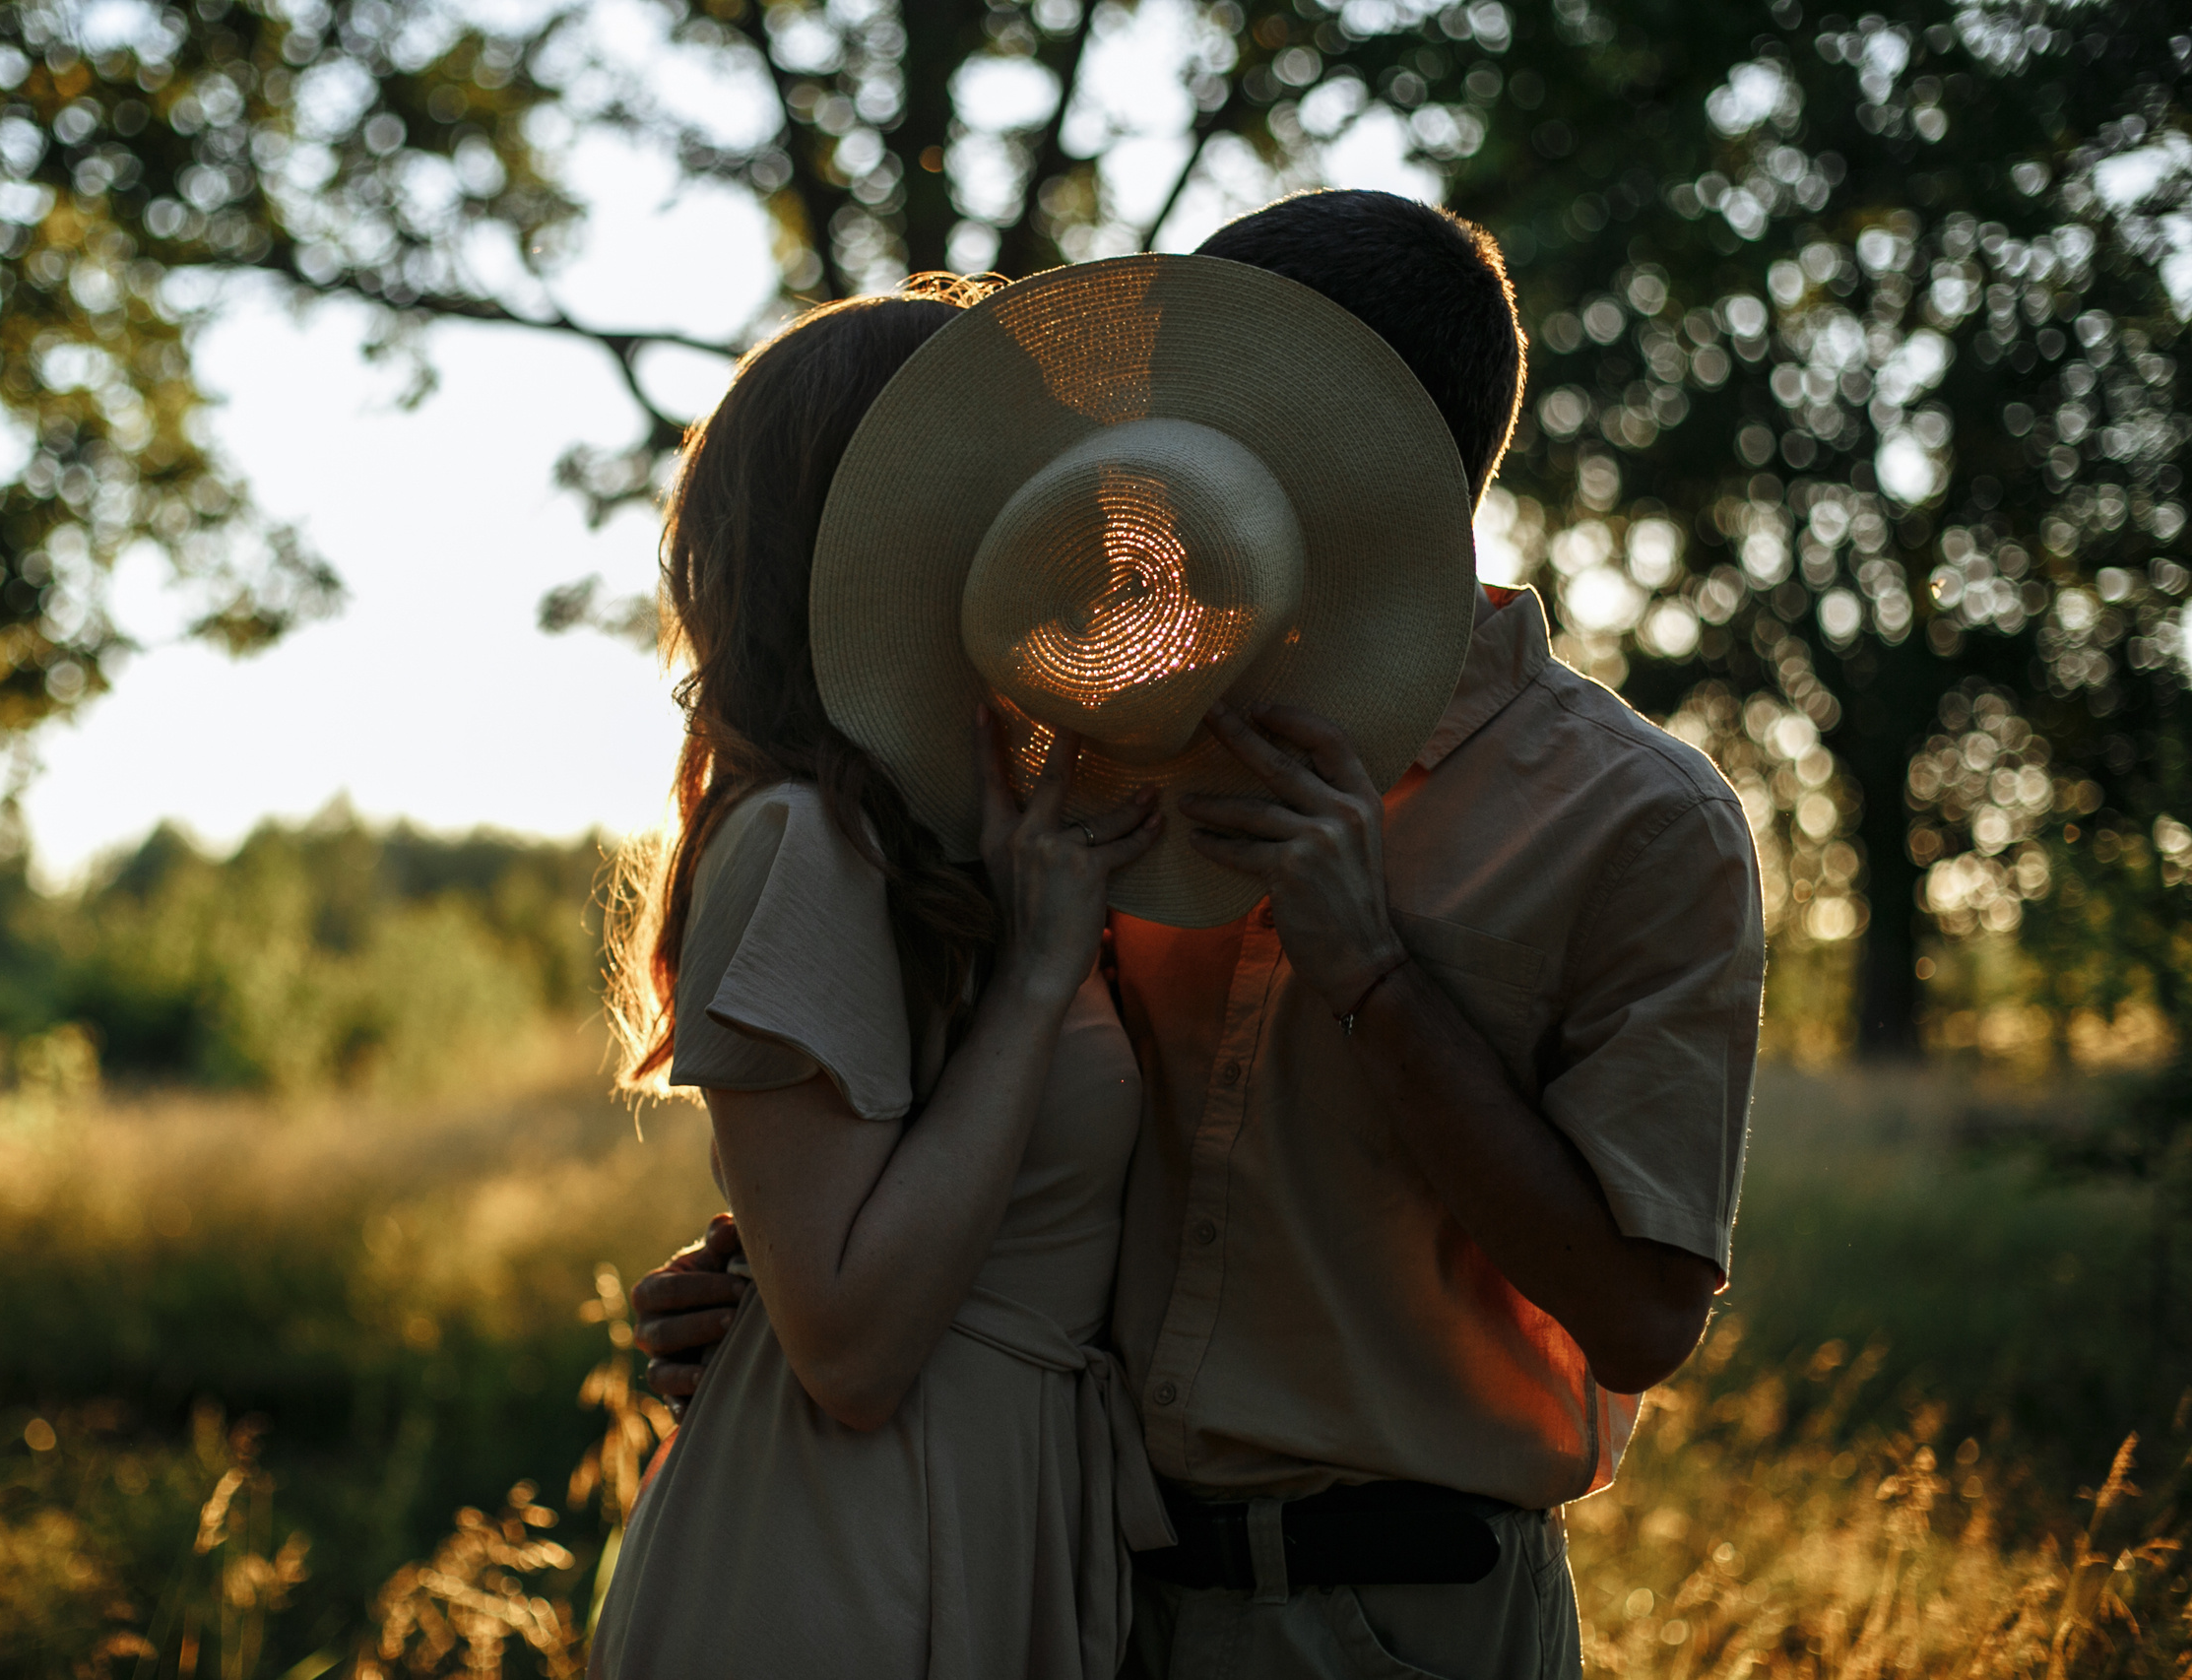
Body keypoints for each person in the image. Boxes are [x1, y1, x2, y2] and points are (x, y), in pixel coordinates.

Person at [633, 190, 1766, 1680]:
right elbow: (976, 1157)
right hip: (1086, 1585)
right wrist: (769, 1276)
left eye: (1202, 380)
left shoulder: (1635, 818)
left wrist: (1371, 973)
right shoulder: (1077, 751)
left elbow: (1638, 1316)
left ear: (1357, 432)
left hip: (1404, 1618)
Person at [587, 274, 1175, 1680]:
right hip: (853, 1556)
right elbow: (848, 1345)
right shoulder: (802, 838)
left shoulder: (983, 827)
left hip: (994, 1505)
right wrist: (1038, 982)